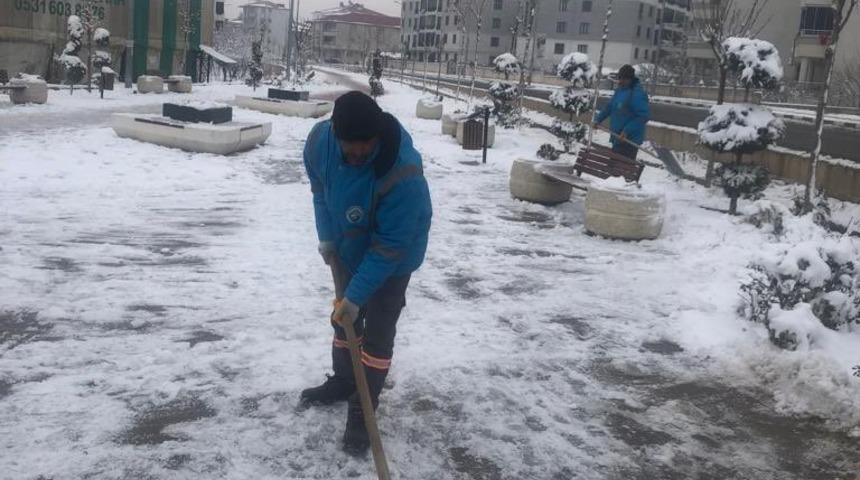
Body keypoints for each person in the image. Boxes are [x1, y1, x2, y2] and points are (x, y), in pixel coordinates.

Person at [300, 91, 433, 455]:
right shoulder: (319, 142)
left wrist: (357, 297)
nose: (357, 153)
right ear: (334, 132)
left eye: (366, 146)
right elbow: (319, 190)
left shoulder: (403, 172)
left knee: (376, 334)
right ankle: (345, 381)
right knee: (343, 322)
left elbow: (389, 246)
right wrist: (327, 238)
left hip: (395, 255)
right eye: (350, 146)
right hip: (347, 243)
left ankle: (363, 409)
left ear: (377, 136)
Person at [594, 64, 650, 160]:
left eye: (623, 79)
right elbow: (609, 107)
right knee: (613, 169)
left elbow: (643, 116)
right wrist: (598, 120)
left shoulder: (637, 93)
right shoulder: (620, 91)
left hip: (629, 141)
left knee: (621, 170)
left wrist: (627, 130)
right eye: (619, 78)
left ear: (630, 79)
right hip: (617, 138)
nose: (620, 81)